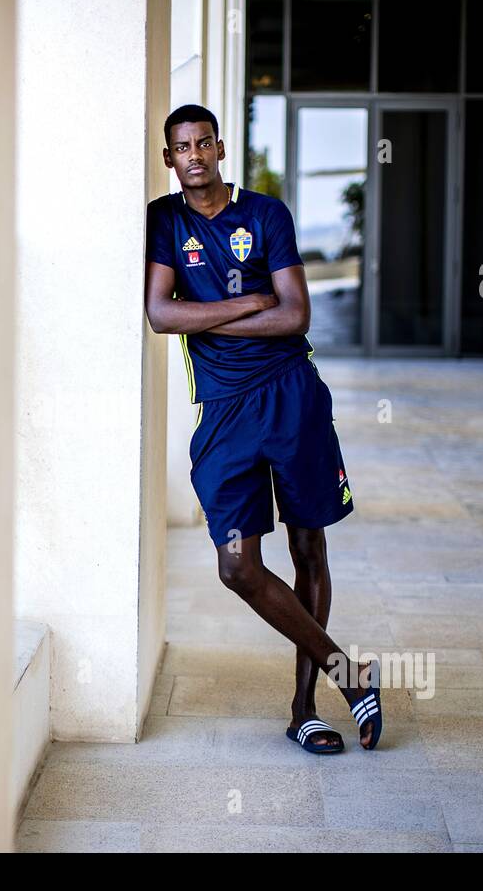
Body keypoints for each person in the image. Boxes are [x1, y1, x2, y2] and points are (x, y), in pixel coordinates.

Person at [144, 103, 381, 752]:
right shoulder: (165, 220)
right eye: (181, 147)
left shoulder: (267, 213)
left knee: (309, 549)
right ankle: (351, 674)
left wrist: (207, 314)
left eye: (202, 143)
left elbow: (296, 315)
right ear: (169, 159)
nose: (193, 155)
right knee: (237, 566)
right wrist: (247, 302)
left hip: (290, 394)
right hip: (223, 411)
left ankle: (305, 708)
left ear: (220, 148)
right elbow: (161, 315)